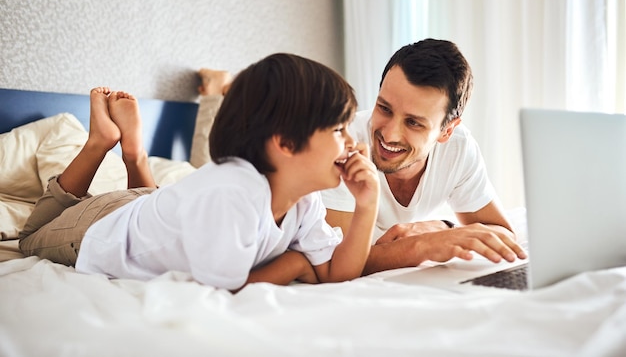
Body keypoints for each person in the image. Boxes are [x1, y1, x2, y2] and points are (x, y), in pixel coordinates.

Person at [18, 53, 380, 291]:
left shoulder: (305, 201)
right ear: (285, 142)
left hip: (157, 206)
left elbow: (337, 274)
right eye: (338, 130)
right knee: (31, 236)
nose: (353, 142)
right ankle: (101, 142)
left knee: (158, 203)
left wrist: (367, 204)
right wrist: (293, 263)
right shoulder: (233, 193)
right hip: (99, 227)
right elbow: (228, 289)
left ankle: (134, 155)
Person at [322, 39, 527, 275]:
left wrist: (443, 228)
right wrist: (423, 246)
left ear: (447, 130)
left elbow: (501, 233)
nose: (389, 134)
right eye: (384, 108)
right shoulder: (341, 141)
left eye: (413, 123)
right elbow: (338, 262)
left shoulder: (458, 148)